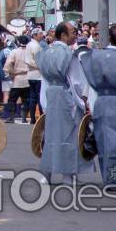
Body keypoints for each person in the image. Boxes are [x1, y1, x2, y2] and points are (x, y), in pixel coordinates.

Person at [78, 26, 116, 186]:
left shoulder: (95, 56)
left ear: (110, 38)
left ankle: (110, 179)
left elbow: (84, 63)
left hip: (100, 101)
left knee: (104, 142)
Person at [36, 22, 90, 181]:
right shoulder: (68, 55)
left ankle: (47, 174)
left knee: (51, 135)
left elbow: (44, 80)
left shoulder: (45, 53)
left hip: (51, 96)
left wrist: (44, 102)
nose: (76, 35)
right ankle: (68, 175)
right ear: (63, 35)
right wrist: (83, 101)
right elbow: (77, 82)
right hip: (66, 97)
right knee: (69, 136)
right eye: (73, 32)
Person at [24, 28, 44, 124]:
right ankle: (41, 117)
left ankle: (32, 118)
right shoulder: (36, 46)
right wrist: (41, 67)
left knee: (32, 97)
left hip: (30, 74)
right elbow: (38, 61)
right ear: (35, 35)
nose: (42, 35)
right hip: (38, 75)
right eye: (40, 34)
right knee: (39, 97)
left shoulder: (29, 45)